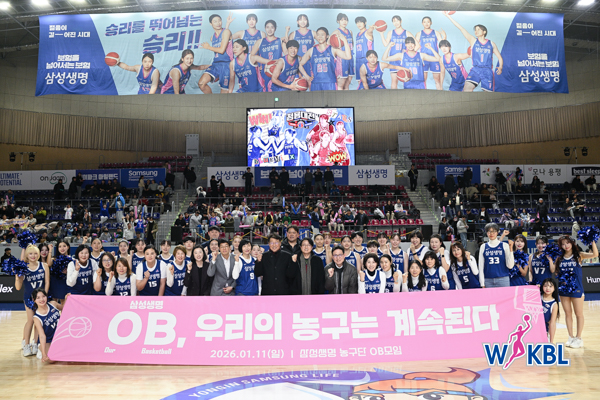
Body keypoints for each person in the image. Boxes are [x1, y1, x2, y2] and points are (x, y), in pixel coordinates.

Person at [555, 235, 598, 348]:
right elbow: (556, 272)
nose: (566, 246)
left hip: (577, 288)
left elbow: (595, 254)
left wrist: (592, 241)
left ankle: (579, 338)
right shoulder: (559, 258)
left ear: (572, 243)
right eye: (563, 244)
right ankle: (570, 337)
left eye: (568, 243)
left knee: (578, 314)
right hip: (564, 289)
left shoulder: (579, 255)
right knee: (568, 314)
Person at [444, 12, 503, 92]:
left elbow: (499, 57)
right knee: (466, 89)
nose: (476, 31)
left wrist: (500, 67)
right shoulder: (473, 41)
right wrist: (448, 16)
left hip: (487, 70)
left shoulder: (491, 44)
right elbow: (461, 28)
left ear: (484, 32)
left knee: (487, 94)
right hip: (476, 69)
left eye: (478, 29)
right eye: (475, 30)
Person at [15, 245, 50, 357]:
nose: (33, 256)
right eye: (30, 253)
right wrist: (17, 277)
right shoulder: (23, 268)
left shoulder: (44, 266)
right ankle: (26, 344)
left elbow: (47, 282)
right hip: (29, 299)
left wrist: (44, 297)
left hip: (41, 299)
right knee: (30, 321)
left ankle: (35, 343)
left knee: (39, 321)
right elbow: (18, 287)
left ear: (38, 254)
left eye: (35, 253)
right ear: (26, 255)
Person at [298, 26, 351, 91]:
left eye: (322, 35)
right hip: (316, 83)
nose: (320, 37)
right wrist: (307, 76)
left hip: (330, 82)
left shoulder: (332, 49)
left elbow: (348, 56)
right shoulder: (312, 50)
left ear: (327, 36)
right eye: (318, 35)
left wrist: (345, 41)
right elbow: (299, 64)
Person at [378, 15, 416, 89]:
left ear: (401, 21)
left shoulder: (407, 33)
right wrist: (381, 34)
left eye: (397, 20)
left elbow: (416, 45)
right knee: (394, 81)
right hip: (393, 60)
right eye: (394, 21)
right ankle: (393, 96)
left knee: (407, 80)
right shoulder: (390, 32)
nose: (396, 23)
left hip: (404, 59)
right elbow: (385, 44)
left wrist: (408, 51)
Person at [198, 13, 233, 94]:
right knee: (201, 84)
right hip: (216, 64)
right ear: (211, 23)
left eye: (219, 20)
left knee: (224, 93)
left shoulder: (226, 32)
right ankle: (212, 101)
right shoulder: (212, 37)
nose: (218, 23)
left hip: (226, 65)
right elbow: (221, 37)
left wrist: (208, 47)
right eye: (215, 21)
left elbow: (222, 50)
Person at [250, 19, 289, 92]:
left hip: (277, 72)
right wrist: (257, 66)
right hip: (264, 72)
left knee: (277, 93)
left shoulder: (280, 41)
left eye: (272, 27)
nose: (270, 30)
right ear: (265, 28)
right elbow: (251, 58)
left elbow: (287, 56)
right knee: (265, 94)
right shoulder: (260, 42)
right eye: (267, 27)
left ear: (275, 28)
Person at [31, 288, 64, 362]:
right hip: (47, 340)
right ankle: (40, 350)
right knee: (51, 359)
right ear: (34, 300)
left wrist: (67, 298)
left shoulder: (53, 304)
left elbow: (65, 308)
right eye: (38, 298)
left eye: (43, 296)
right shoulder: (36, 318)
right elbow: (42, 336)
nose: (42, 299)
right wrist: (44, 354)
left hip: (59, 336)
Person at [414, 16, 446, 90]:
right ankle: (423, 95)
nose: (426, 23)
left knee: (437, 80)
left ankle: (440, 94)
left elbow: (442, 44)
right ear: (422, 23)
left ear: (431, 23)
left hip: (434, 58)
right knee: (423, 80)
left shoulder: (436, 33)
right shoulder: (419, 33)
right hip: (424, 59)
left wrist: (444, 37)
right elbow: (416, 46)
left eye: (428, 22)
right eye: (424, 22)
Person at [478, 223, 513, 288]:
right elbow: (480, 266)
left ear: (497, 232)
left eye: (494, 231)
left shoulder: (504, 245)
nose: (491, 233)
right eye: (489, 231)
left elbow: (510, 266)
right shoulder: (483, 246)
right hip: (488, 280)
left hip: (503, 279)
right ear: (486, 233)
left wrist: (511, 250)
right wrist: (482, 283)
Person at [331, 13, 354, 90]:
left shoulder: (350, 32)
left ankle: (347, 98)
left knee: (347, 84)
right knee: (340, 84)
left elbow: (352, 44)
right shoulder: (336, 32)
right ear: (338, 21)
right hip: (341, 60)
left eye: (346, 20)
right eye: (342, 20)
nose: (344, 22)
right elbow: (328, 45)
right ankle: (339, 98)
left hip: (350, 59)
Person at [541, 278, 559, 343]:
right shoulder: (538, 297)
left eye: (550, 286)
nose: (548, 288)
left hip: (544, 330)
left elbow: (552, 324)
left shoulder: (554, 304)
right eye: (545, 286)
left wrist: (551, 342)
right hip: (533, 328)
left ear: (554, 288)